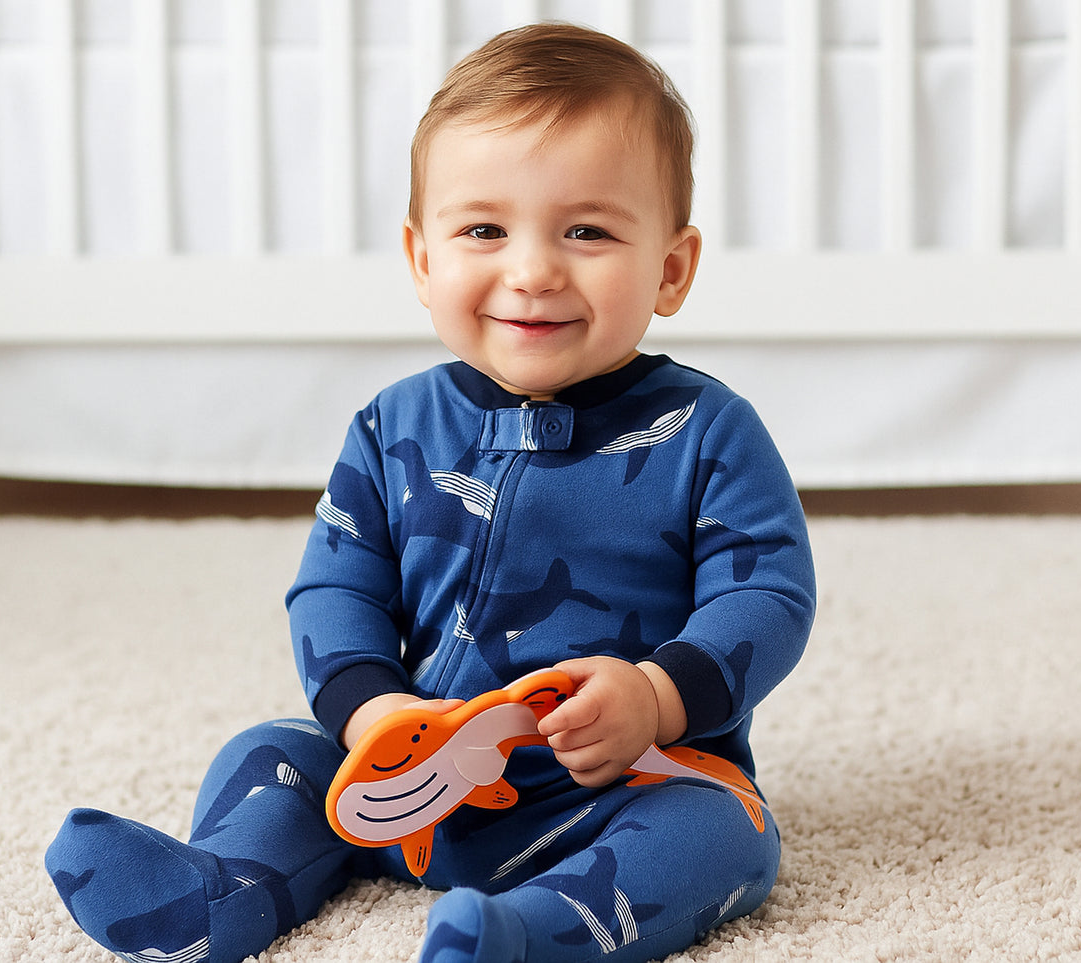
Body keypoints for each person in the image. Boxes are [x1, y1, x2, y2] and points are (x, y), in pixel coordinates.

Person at [46, 22, 815, 963]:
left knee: (726, 832)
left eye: (586, 231)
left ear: (670, 268)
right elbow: (334, 588)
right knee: (271, 752)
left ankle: (526, 933)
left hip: (614, 780)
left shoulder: (707, 429)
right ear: (421, 259)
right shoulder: (392, 424)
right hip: (402, 776)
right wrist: (371, 712)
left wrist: (656, 698)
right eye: (484, 230)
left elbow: (768, 593)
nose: (531, 270)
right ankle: (217, 891)